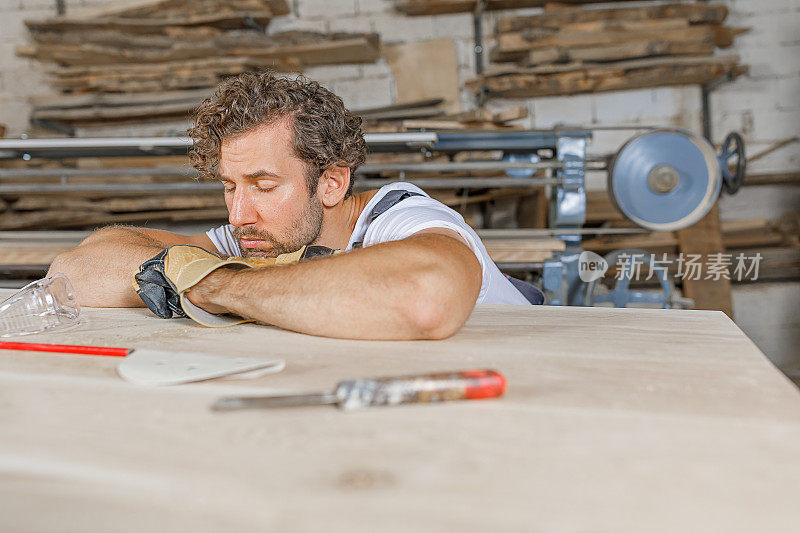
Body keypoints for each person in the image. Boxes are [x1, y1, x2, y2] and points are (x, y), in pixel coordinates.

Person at [48, 71, 530, 341]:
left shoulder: (403, 219)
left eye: (263, 184)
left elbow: (425, 296)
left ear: (332, 182)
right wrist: (218, 277)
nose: (239, 215)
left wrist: (216, 288)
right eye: (230, 186)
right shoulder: (261, 236)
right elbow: (75, 271)